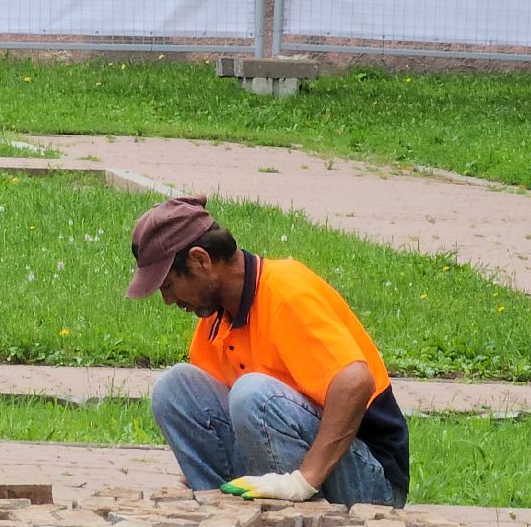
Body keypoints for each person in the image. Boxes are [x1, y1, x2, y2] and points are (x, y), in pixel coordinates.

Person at [125, 196, 409, 506]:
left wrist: (303, 481)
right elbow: (216, 421)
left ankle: (296, 518)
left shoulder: (285, 290)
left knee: (254, 395)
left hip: (371, 483)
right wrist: (191, 474)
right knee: (176, 388)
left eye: (168, 285)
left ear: (200, 261)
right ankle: (221, 510)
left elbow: (356, 381)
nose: (168, 300)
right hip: (286, 467)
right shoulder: (216, 318)